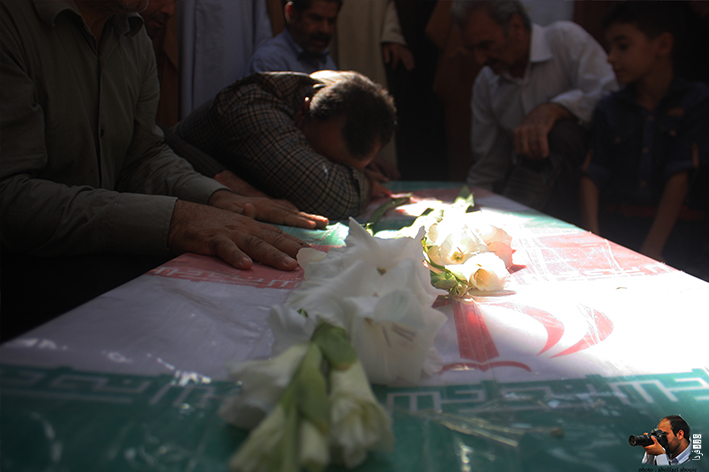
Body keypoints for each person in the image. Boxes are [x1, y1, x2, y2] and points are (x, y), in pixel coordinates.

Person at [0, 0, 326, 339]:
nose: (170, 9)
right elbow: (9, 197)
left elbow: (142, 157)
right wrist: (176, 219)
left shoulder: (132, 34)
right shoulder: (11, 23)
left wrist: (217, 198)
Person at [451, 0, 617, 222]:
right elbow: (488, 165)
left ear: (517, 27)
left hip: (594, 182)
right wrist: (465, 214)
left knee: (560, 134)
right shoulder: (486, 83)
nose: (480, 59)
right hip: (530, 191)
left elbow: (611, 93)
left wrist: (558, 108)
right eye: (472, 49)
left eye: (486, 45)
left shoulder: (565, 40)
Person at [579, 1, 709, 262]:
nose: (610, 57)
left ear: (663, 45)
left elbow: (680, 176)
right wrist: (592, 239)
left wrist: (651, 249)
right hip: (617, 227)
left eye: (622, 46)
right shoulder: (610, 107)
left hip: (675, 238)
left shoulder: (695, 101)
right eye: (610, 47)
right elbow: (592, 176)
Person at [173, 70, 397, 220]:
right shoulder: (252, 108)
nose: (338, 172)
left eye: (345, 168)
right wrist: (366, 182)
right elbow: (333, 198)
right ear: (304, 110)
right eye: (319, 158)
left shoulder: (334, 92)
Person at [246, 0, 341, 75]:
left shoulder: (324, 58)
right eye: (316, 19)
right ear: (292, 14)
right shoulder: (269, 63)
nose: (325, 29)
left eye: (331, 21)